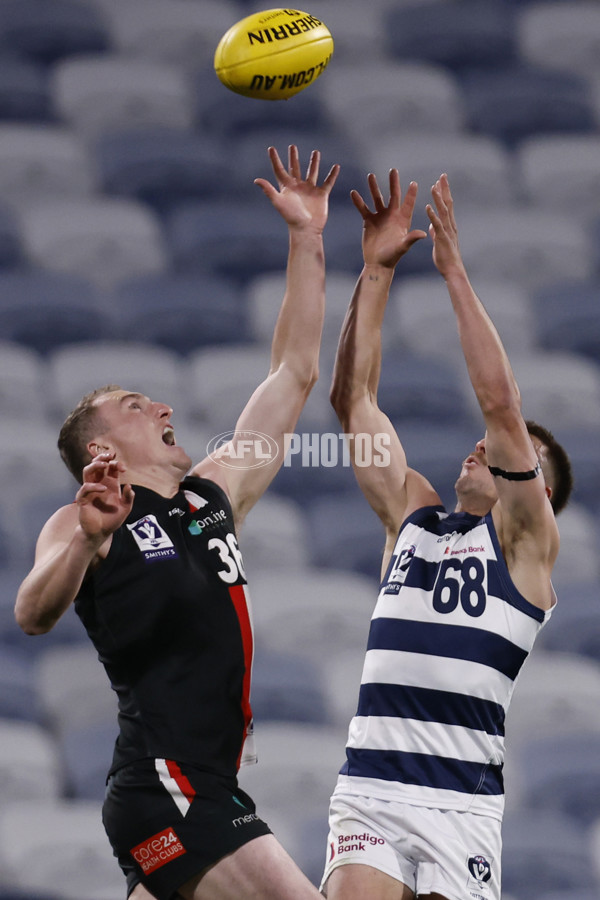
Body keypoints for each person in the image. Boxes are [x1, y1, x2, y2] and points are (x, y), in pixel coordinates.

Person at [15, 145, 339, 900]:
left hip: (196, 787)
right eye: (136, 406)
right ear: (103, 450)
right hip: (174, 787)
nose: (161, 406)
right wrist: (89, 541)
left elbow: (293, 372)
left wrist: (306, 237)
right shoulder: (85, 520)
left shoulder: (212, 492)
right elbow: (33, 611)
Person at [320, 170, 573, 900]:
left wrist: (454, 272)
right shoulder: (414, 517)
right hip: (371, 784)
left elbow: (499, 402)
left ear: (538, 492)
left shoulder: (525, 547)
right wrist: (375, 270)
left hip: (460, 801)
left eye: (503, 453)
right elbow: (355, 402)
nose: (481, 448)